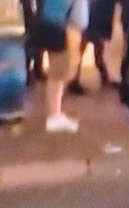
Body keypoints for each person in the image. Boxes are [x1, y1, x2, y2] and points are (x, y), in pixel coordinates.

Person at [33, 0, 88, 133]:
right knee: (58, 73)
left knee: (60, 73)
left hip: (61, 28)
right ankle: (54, 115)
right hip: (62, 29)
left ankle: (55, 113)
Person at [67, 0, 118, 94]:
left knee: (95, 46)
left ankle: (102, 77)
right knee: (86, 47)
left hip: (94, 13)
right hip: (93, 14)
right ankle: (75, 79)